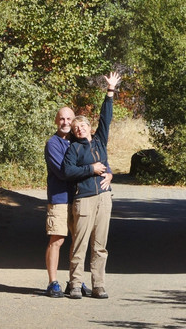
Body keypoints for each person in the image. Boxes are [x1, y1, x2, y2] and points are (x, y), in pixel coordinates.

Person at [62, 70, 121, 299]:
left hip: (104, 198)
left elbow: (106, 117)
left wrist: (110, 91)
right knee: (80, 244)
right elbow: (68, 171)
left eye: (83, 126)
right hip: (83, 199)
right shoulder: (73, 149)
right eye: (76, 128)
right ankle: (76, 284)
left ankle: (98, 285)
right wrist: (92, 169)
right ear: (74, 133)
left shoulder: (99, 141)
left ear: (89, 127)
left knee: (100, 245)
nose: (80, 129)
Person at [44, 105, 109, 297]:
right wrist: (91, 169)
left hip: (80, 197)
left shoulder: (78, 140)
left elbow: (100, 158)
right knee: (57, 239)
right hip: (60, 198)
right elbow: (65, 173)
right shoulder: (53, 144)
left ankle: (75, 281)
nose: (66, 123)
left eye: (69, 119)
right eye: (62, 119)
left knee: (78, 241)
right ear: (56, 121)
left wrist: (109, 173)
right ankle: (52, 282)